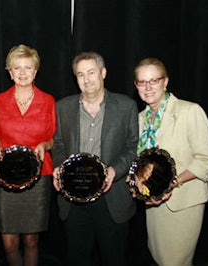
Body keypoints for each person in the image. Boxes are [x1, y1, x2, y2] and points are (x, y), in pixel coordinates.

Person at [52, 51, 139, 266]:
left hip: (112, 198)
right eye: (80, 74)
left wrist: (114, 170)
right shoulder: (63, 107)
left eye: (91, 72)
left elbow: (132, 147)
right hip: (73, 199)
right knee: (77, 258)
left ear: (103, 73)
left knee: (113, 258)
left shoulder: (126, 106)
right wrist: (59, 168)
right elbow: (59, 145)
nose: (86, 79)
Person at [133, 57, 208, 266]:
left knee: (175, 261)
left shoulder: (190, 111)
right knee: (159, 257)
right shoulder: (140, 119)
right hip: (154, 203)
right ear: (136, 86)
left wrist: (172, 183)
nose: (148, 87)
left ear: (165, 81)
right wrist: (138, 184)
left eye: (154, 80)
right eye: (142, 82)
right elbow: (141, 163)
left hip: (184, 200)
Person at [0, 44, 56, 266]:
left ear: (35, 71)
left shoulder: (48, 101)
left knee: (30, 240)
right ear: (9, 72)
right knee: (9, 243)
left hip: (38, 176)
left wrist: (43, 145)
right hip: (5, 176)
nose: (22, 73)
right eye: (16, 68)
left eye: (27, 67)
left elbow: (53, 138)